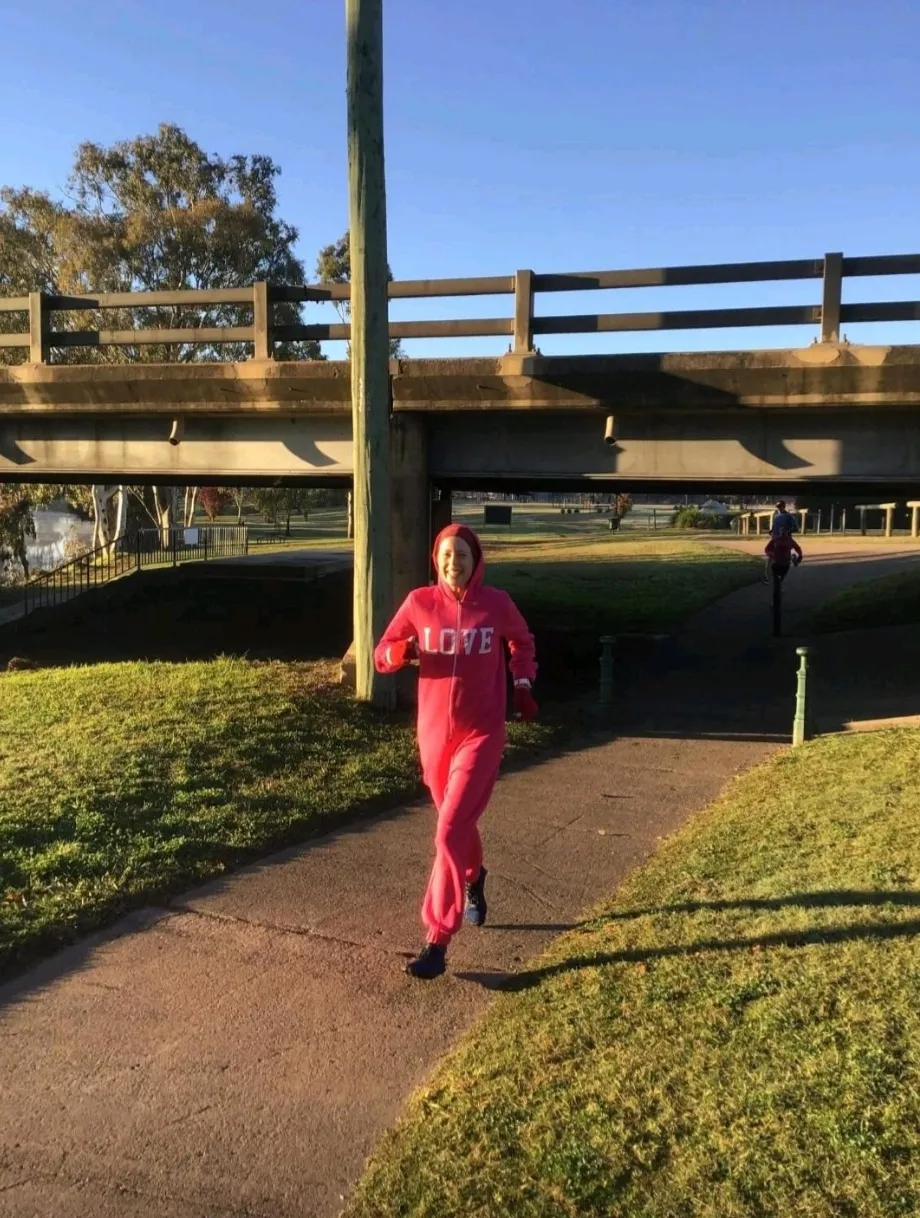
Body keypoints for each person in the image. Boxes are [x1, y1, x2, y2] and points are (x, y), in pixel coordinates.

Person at [374, 523, 538, 980]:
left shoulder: (497, 604)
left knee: (447, 832)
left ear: (476, 560)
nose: (454, 563)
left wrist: (522, 683)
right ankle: (474, 878)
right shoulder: (419, 604)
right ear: (437, 559)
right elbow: (380, 652)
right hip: (433, 738)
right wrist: (400, 652)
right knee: (457, 825)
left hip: (481, 734)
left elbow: (521, 641)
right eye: (447, 555)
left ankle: (437, 940)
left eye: (462, 555)